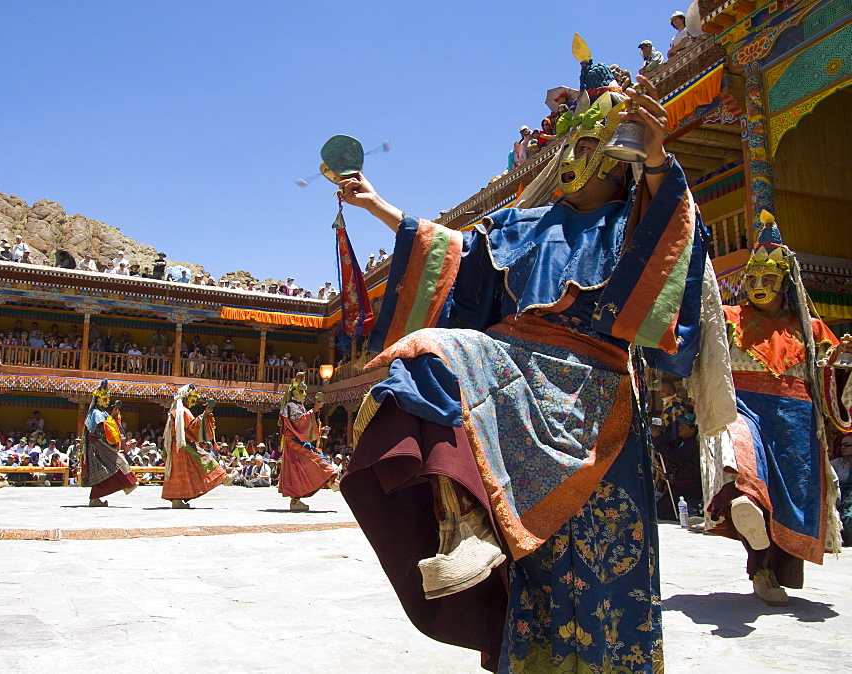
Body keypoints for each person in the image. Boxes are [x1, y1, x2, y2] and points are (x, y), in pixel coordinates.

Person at [338, 49, 703, 671]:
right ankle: (464, 521)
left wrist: (661, 162)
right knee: (429, 358)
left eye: (593, 138)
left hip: (591, 397)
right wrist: (378, 206)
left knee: (600, 566)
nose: (572, 152)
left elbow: (670, 264)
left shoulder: (636, 222)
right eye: (569, 138)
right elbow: (448, 256)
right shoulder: (519, 225)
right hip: (507, 382)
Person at [701, 212, 844, 606]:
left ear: (785, 283)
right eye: (753, 279)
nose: (759, 287)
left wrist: (842, 359)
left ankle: (775, 570)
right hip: (745, 406)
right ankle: (759, 565)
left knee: (789, 499)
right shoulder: (728, 319)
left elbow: (831, 379)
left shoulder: (813, 329)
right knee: (747, 470)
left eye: (769, 279)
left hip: (797, 419)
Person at [276, 373, 338, 511]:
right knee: (307, 465)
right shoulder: (291, 406)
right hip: (294, 443)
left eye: (305, 391)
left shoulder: (299, 406)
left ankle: (329, 481)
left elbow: (306, 424)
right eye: (301, 391)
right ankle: (328, 482)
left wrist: (318, 423)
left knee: (304, 468)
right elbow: (299, 422)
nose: (304, 394)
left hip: (299, 442)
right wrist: (314, 410)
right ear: (294, 392)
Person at [161, 384, 226, 508]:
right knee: (206, 460)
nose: (194, 401)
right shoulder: (184, 411)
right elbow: (193, 428)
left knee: (179, 473)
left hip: (175, 446)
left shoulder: (174, 411)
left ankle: (177, 500)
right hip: (184, 445)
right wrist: (204, 415)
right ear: (186, 397)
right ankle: (224, 477)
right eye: (193, 397)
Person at [80, 380, 137, 506]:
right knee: (108, 468)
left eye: (107, 398)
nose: (106, 401)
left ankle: (100, 496)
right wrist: (112, 416)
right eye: (103, 398)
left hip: (102, 445)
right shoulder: (95, 413)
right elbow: (103, 427)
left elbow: (111, 426)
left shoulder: (103, 412)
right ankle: (97, 497)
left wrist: (114, 416)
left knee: (112, 467)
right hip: (96, 447)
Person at [653, 413, 702, 519]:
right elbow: (670, 446)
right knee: (658, 509)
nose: (679, 428)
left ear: (692, 430)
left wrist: (658, 438)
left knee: (663, 512)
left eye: (684, 426)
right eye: (680, 425)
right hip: (678, 486)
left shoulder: (694, 444)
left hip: (688, 488)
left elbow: (673, 456)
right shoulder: (681, 441)